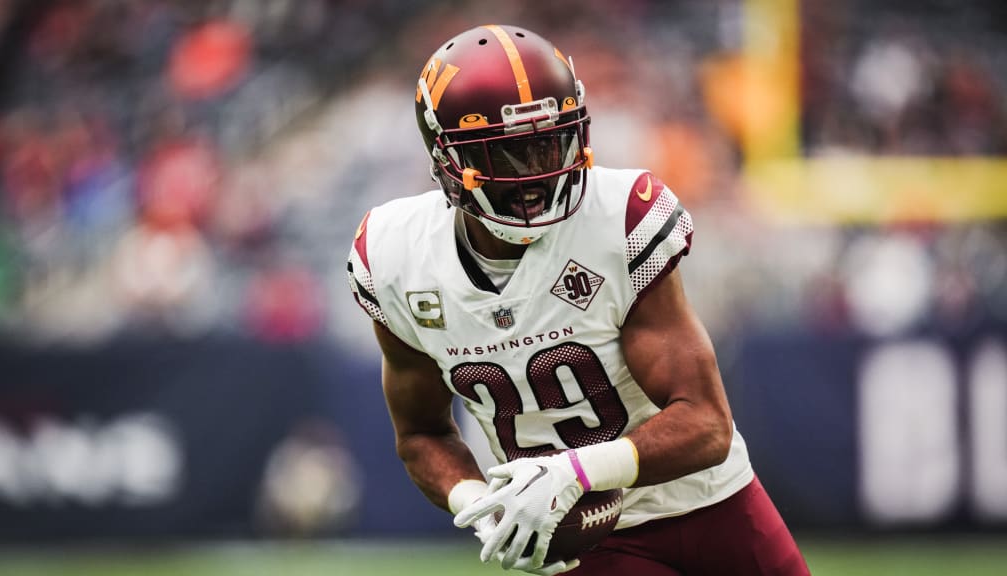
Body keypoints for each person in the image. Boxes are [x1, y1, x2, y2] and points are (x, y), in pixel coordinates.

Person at [346, 24, 810, 576]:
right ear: (448, 161)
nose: (539, 173)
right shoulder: (397, 257)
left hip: (711, 503)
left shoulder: (620, 218)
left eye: (549, 142)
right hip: (581, 538)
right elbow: (422, 433)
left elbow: (706, 425)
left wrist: (575, 472)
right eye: (510, 154)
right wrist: (479, 506)